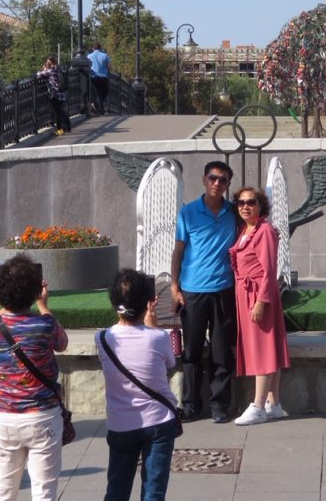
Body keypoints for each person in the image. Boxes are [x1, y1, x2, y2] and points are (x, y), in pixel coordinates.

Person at [0, 254, 69, 501]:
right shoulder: (44, 325)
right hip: (42, 416)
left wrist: (6, 298)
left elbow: (0, 313)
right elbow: (62, 343)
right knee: (44, 491)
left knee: (3, 489)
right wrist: (43, 306)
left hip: (5, 417)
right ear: (34, 291)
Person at [96, 269, 179, 501]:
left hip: (121, 424)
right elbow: (170, 362)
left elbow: (121, 330)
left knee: (116, 490)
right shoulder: (159, 337)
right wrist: (152, 327)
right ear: (147, 303)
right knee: (154, 490)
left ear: (114, 302)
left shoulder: (102, 339)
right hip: (159, 421)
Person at [171, 160, 237, 423]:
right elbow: (178, 251)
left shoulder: (234, 212)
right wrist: (175, 287)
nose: (217, 183)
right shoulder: (188, 213)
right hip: (192, 291)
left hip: (223, 289)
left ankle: (220, 405)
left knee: (221, 351)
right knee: (192, 352)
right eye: (213, 178)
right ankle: (190, 404)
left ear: (228, 184)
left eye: (222, 180)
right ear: (204, 179)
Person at [229, 187, 290, 426]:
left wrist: (261, 302)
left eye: (251, 202)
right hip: (246, 294)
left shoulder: (263, 231)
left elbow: (269, 270)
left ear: (260, 205)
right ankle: (273, 404)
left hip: (257, 295)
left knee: (261, 349)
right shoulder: (246, 230)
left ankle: (257, 405)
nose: (246, 206)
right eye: (241, 203)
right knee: (267, 348)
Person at [37, 56, 71, 135]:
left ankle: (61, 129)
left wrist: (44, 69)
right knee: (60, 111)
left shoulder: (50, 71)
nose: (47, 63)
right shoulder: (59, 68)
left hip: (55, 94)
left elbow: (38, 74)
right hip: (62, 93)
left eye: (48, 62)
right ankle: (65, 128)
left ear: (50, 63)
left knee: (58, 113)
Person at [87, 42, 111, 116]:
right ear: (100, 48)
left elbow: (87, 67)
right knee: (104, 93)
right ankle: (101, 111)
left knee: (98, 93)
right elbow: (109, 67)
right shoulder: (105, 55)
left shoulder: (89, 56)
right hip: (104, 77)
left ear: (93, 48)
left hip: (93, 77)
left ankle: (96, 105)